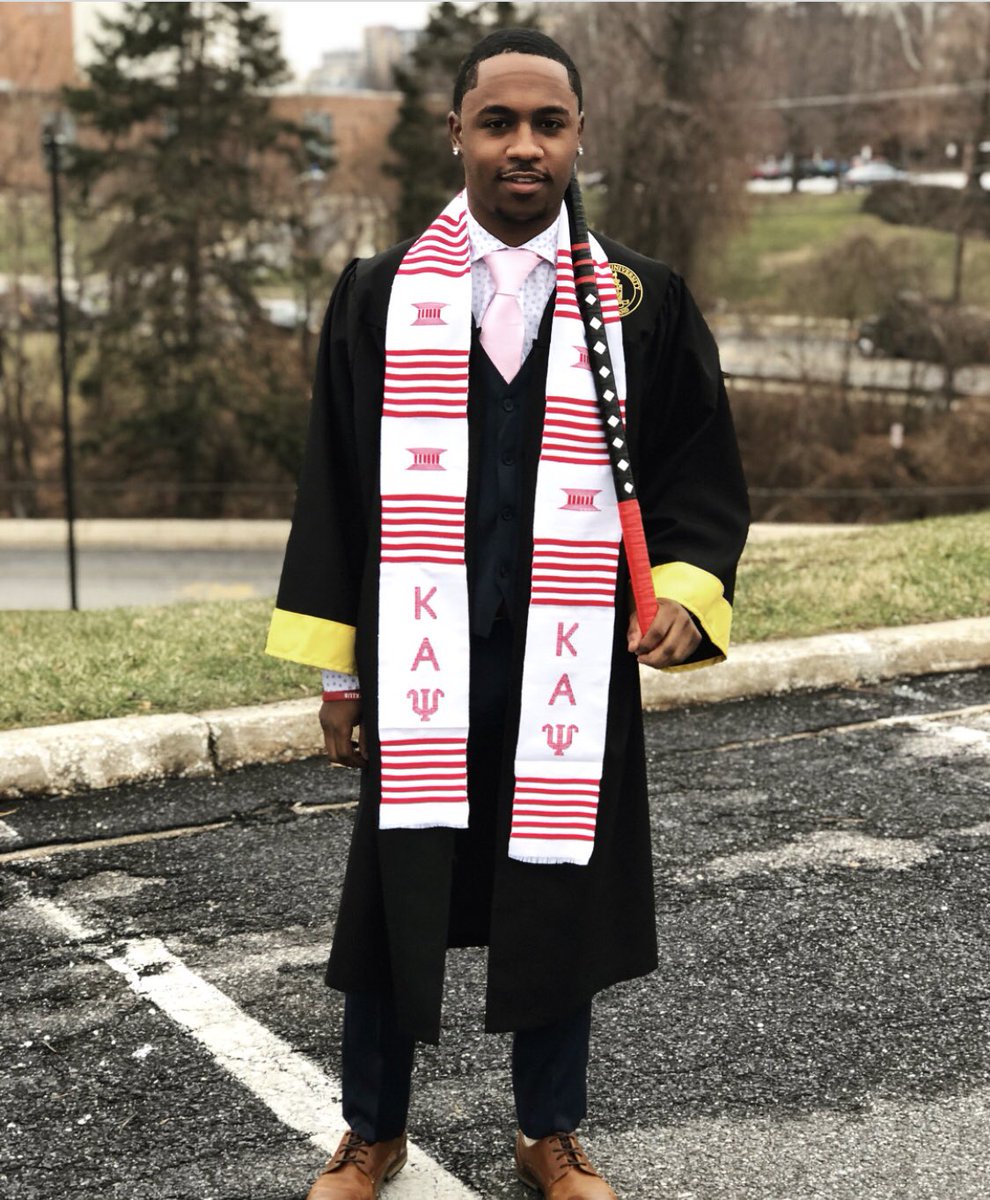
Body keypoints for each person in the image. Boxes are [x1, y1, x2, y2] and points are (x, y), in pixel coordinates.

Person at [266, 27, 749, 1200]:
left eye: (548, 123)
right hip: (419, 651)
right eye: (498, 123)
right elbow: (336, 489)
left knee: (556, 883)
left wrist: (686, 596)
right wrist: (339, 675)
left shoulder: (638, 299)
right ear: (456, 134)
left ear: (580, 135)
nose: (523, 146)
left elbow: (698, 471)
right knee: (395, 895)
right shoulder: (381, 295)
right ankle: (372, 1129)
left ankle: (550, 1130)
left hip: (569, 655)